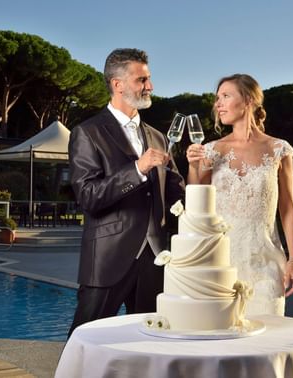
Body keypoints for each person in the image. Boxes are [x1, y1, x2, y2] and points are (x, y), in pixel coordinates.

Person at [67, 48, 185, 337]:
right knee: (85, 339)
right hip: (108, 258)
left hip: (155, 257)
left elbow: (175, 195)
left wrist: (194, 171)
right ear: (117, 84)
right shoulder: (87, 133)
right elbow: (89, 197)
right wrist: (137, 169)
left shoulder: (158, 136)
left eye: (149, 79)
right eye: (142, 80)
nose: (150, 86)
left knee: (150, 344)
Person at [186, 73, 293, 316]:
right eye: (217, 98)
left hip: (265, 263)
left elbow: (288, 207)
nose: (218, 104)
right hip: (218, 263)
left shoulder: (279, 149)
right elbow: (195, 201)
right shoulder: (211, 150)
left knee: (266, 340)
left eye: (226, 96)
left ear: (248, 100)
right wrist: (193, 166)